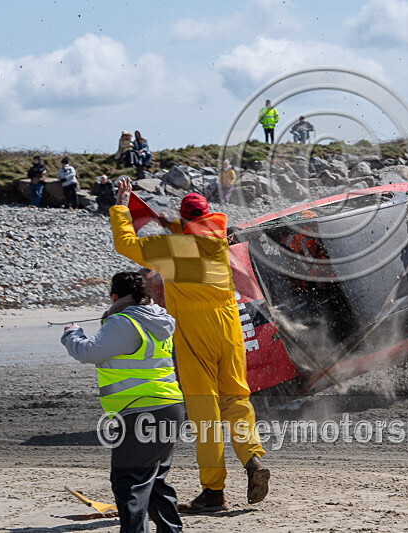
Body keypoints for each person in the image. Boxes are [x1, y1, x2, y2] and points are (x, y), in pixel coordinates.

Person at [110, 179, 270, 513]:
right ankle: (253, 459)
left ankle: (214, 491)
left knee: (204, 412)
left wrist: (122, 206)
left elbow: (125, 244)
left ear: (184, 218)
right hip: (228, 326)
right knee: (236, 399)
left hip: (194, 330)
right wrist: (170, 222)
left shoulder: (169, 249)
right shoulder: (218, 242)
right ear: (207, 215)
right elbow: (195, 232)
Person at [60, 271, 185, 533]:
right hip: (170, 406)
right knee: (154, 479)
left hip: (140, 409)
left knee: (129, 480)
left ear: (115, 296)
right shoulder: (159, 318)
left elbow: (89, 352)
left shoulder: (123, 321)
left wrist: (72, 333)